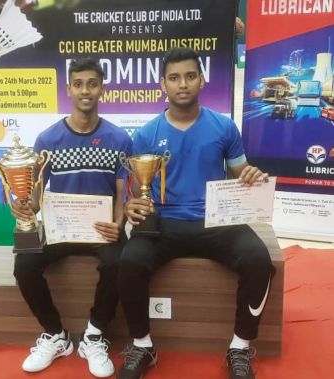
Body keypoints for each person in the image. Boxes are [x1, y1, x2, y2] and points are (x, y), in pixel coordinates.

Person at [116, 47, 275, 379]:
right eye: (174, 78)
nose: (182, 84)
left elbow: (239, 170)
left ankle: (240, 348)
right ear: (163, 84)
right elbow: (136, 189)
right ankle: (142, 345)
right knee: (128, 260)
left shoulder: (223, 127)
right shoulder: (146, 134)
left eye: (190, 76)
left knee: (259, 259)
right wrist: (131, 204)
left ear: (202, 80)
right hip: (164, 221)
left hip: (215, 219)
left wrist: (251, 175)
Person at [11, 57, 132, 377]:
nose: (85, 91)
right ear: (68, 89)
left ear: (102, 88)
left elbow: (123, 194)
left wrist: (119, 224)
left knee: (120, 261)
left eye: (92, 83)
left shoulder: (119, 139)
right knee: (24, 261)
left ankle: (94, 334)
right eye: (78, 84)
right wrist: (27, 208)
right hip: (60, 229)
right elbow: (35, 194)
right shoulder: (47, 140)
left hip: (101, 228)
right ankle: (55, 334)